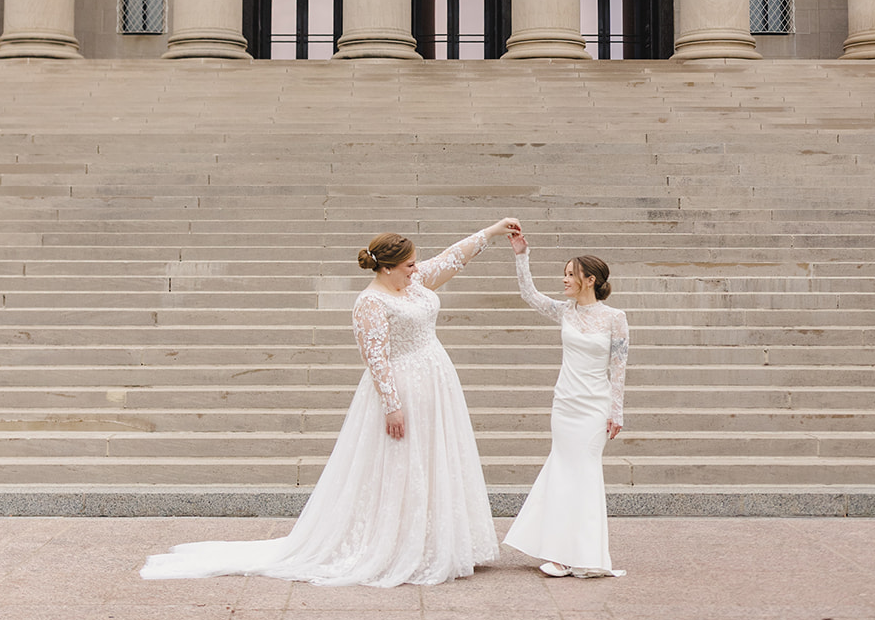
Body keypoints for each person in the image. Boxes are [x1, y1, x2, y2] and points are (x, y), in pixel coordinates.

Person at [141, 218, 520, 588]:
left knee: (435, 458)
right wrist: (392, 404)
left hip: (436, 382)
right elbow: (376, 358)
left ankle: (437, 540)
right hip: (403, 386)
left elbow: (452, 258)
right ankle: (399, 544)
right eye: (408, 265)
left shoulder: (414, 283)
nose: (416, 269)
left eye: (415, 263)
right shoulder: (370, 302)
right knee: (404, 464)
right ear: (387, 269)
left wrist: (491, 232)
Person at [503, 227, 628, 578]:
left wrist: (615, 411)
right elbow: (529, 294)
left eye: (570, 275)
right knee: (562, 473)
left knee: (585, 475)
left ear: (589, 280)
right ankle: (559, 554)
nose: (564, 280)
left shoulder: (615, 318)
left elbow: (619, 367)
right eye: (565, 274)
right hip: (566, 404)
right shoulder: (565, 311)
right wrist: (521, 255)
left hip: (594, 407)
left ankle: (584, 555)